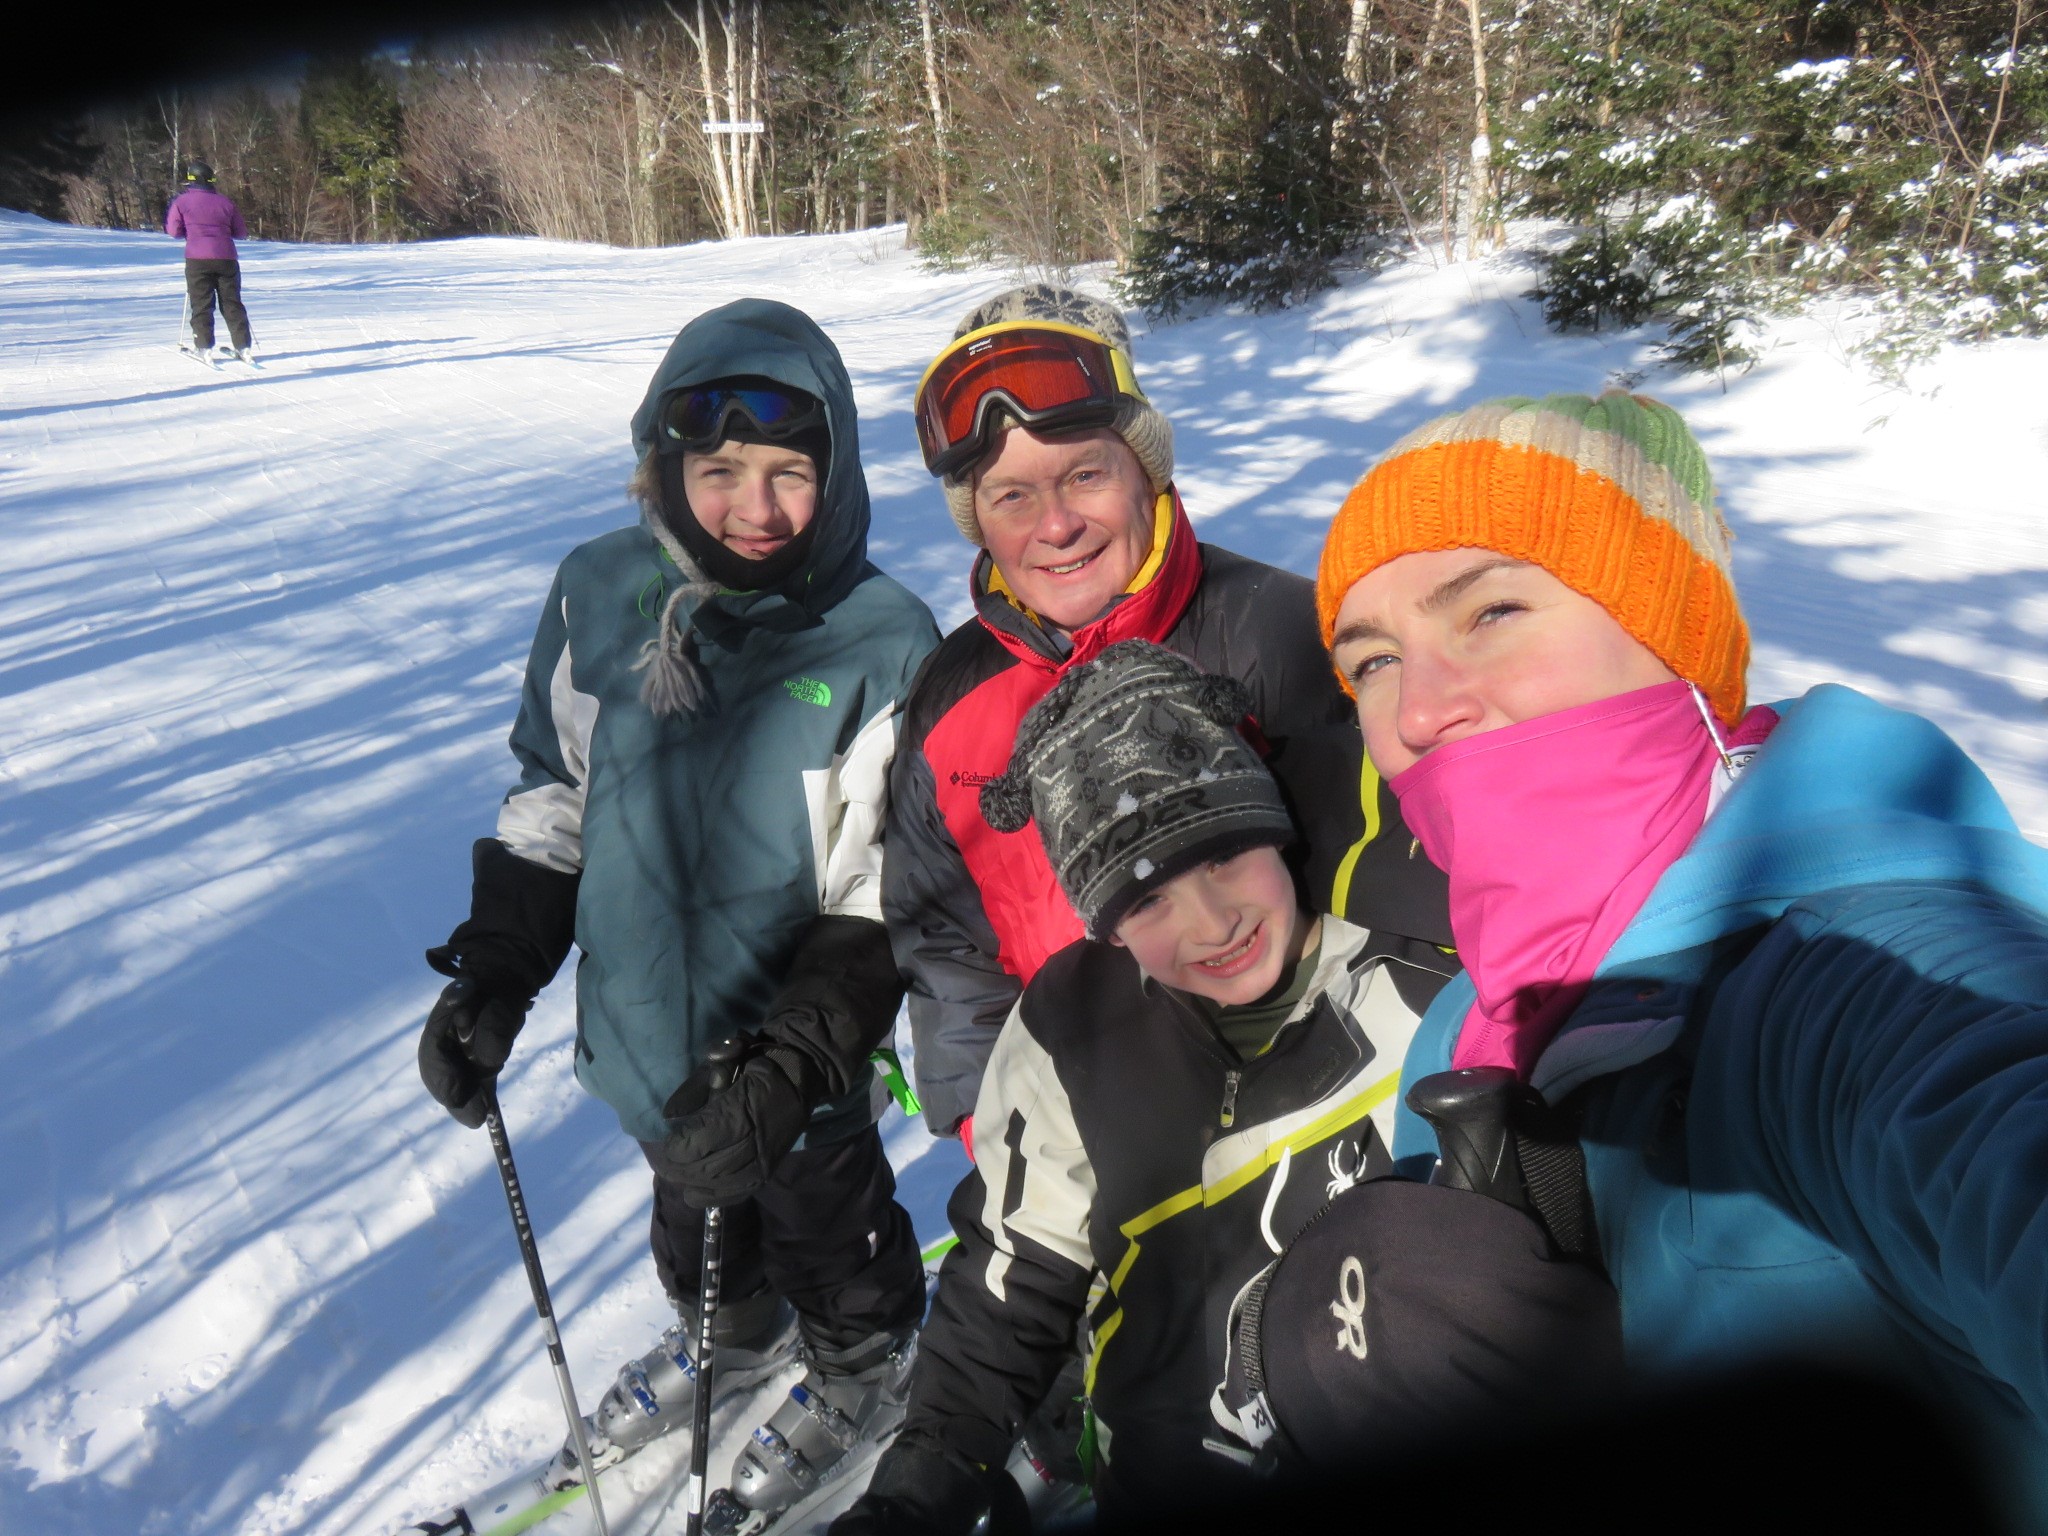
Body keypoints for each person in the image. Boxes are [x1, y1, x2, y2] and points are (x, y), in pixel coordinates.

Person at [1299, 391, 2048, 1511]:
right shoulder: (1466, 1026)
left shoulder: (1868, 975)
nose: (1415, 713)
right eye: (1371, 663)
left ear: (1673, 633)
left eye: (1492, 611)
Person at [417, 299, 942, 1521]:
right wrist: (496, 971)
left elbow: (882, 883)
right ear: (663, 466)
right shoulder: (599, 590)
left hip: (801, 1057)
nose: (755, 507)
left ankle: (861, 1360)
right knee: (688, 1207)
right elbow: (558, 789)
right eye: (718, 471)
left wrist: (795, 1061)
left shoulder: (881, 638)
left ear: (835, 475)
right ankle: (736, 1334)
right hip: (648, 1029)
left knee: (824, 1219)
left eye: (789, 474)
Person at [834, 641, 1458, 1535]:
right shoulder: (1074, 1034)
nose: (1214, 923)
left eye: (1225, 856)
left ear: (1276, 831)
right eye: (1147, 901)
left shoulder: (1420, 960)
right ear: (1109, 929)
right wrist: (929, 1474)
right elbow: (1011, 1280)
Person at [884, 284, 1445, 1157]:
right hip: (1085, 1150)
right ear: (977, 521)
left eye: (1085, 475)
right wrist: (995, 1134)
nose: (1057, 525)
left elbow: (1417, 886)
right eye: (1011, 496)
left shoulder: (1288, 634)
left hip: (1330, 1122)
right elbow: (947, 948)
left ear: (1143, 470)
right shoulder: (947, 701)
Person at [165, 162, 254, 360]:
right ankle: (243, 347)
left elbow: (173, 231)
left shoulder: (181, 202)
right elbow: (240, 232)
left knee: (202, 304)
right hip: (226, 258)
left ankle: (204, 348)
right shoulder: (225, 202)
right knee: (232, 302)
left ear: (191, 181)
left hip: (197, 258)